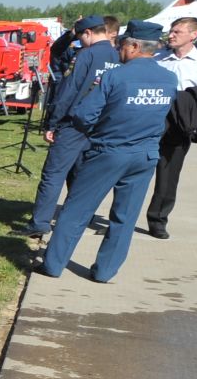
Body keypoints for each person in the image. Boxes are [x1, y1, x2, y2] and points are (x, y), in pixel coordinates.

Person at [40, 23, 178, 282]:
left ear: (135, 46)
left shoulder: (117, 76)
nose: (119, 50)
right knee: (125, 217)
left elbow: (84, 114)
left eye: (123, 45)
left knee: (76, 210)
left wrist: (98, 129)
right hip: (145, 154)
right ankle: (105, 271)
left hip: (109, 151)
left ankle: (53, 264)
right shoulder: (169, 78)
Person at [23, 15, 116, 238]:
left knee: (53, 175)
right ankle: (79, 218)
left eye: (81, 37)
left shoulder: (86, 55)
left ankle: (40, 223)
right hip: (99, 125)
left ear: (87, 33)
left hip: (72, 124)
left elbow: (68, 91)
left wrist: (52, 123)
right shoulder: (118, 55)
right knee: (81, 176)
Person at [144, 16, 197, 239]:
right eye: (172, 30)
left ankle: (157, 219)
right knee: (136, 170)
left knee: (168, 174)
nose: (171, 34)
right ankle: (121, 216)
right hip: (152, 120)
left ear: (193, 35)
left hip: (179, 125)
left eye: (177, 31)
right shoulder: (158, 58)